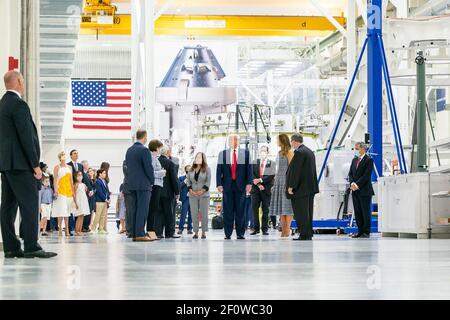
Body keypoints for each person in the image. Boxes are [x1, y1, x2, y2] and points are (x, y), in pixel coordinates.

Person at [0, 70, 56, 258]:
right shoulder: (18, 105)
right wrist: (35, 165)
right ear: (18, 82)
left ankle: (11, 247)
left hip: (7, 165)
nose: (23, 84)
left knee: (7, 206)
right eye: (22, 81)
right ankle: (31, 245)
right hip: (21, 165)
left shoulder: (2, 105)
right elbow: (26, 137)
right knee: (30, 203)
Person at [216, 134, 252, 240]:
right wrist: (219, 184)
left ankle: (240, 233)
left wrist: (249, 183)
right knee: (227, 211)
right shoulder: (223, 154)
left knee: (240, 211)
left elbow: (248, 169)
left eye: (235, 139)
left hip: (240, 186)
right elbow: (219, 170)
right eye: (231, 139)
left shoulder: (245, 153)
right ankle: (228, 233)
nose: (232, 141)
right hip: (227, 186)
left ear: (238, 141)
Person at [286, 134, 319, 241]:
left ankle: (304, 234)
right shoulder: (309, 152)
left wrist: (291, 186)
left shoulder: (299, 152)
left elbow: (296, 171)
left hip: (301, 189)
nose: (291, 144)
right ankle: (308, 233)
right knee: (308, 212)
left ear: (294, 141)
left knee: (301, 212)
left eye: (291, 142)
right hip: (310, 188)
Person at [125, 130, 155, 241]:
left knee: (134, 209)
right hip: (143, 184)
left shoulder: (129, 150)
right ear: (144, 137)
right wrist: (152, 180)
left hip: (131, 184)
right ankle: (140, 234)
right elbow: (148, 167)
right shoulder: (144, 150)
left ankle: (134, 233)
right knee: (143, 209)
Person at [269, 134, 295, 238]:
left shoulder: (290, 152)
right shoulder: (279, 153)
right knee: (281, 208)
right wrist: (274, 184)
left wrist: (290, 184)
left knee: (287, 207)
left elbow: (292, 169)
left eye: (277, 140)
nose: (276, 142)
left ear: (282, 141)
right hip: (278, 181)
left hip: (286, 180)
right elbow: (277, 169)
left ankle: (287, 230)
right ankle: (283, 230)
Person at [348, 142, 375, 238]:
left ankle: (366, 232)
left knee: (365, 211)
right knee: (358, 212)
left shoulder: (369, 160)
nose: (356, 150)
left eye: (357, 148)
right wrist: (352, 183)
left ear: (363, 149)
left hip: (364, 190)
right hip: (355, 190)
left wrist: (357, 184)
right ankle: (360, 231)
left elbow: (366, 175)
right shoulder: (354, 160)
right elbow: (350, 173)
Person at [156, 145, 180, 239]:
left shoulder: (156, 162)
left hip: (157, 192)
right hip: (168, 193)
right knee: (169, 213)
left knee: (158, 213)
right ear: (167, 152)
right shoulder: (170, 163)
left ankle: (158, 232)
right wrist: (177, 192)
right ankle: (169, 233)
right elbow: (174, 179)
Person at [250, 146, 275, 236]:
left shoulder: (272, 163)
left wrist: (260, 181)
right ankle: (255, 228)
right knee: (254, 209)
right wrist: (258, 184)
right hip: (255, 190)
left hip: (266, 189)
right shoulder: (254, 163)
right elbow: (251, 175)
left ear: (268, 152)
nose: (262, 152)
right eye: (261, 151)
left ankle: (264, 229)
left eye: (264, 151)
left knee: (265, 210)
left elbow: (271, 176)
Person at [186, 153, 211, 239]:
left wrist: (202, 191)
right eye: (197, 157)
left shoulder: (207, 169)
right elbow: (188, 181)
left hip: (204, 195)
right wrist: (190, 190)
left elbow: (208, 181)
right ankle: (195, 232)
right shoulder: (191, 169)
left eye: (200, 157)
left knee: (204, 214)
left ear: (203, 159)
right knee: (194, 214)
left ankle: (203, 232)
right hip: (192, 194)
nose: (198, 158)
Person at [147, 139, 166, 240]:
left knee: (154, 208)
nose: (160, 150)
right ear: (156, 147)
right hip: (154, 185)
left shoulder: (155, 157)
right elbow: (151, 172)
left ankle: (151, 229)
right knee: (152, 208)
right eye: (159, 147)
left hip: (157, 184)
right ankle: (150, 229)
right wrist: (162, 173)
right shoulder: (151, 157)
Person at [53, 151, 75, 237]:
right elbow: (55, 179)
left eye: (64, 155)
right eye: (62, 155)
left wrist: (73, 191)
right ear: (59, 157)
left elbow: (71, 180)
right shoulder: (56, 167)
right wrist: (55, 190)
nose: (64, 157)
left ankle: (67, 230)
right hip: (60, 191)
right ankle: (59, 230)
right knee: (61, 211)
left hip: (68, 191)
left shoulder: (69, 167)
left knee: (67, 211)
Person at [92, 169, 111, 234]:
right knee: (98, 215)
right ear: (100, 174)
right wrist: (105, 199)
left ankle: (101, 229)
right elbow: (100, 192)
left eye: (105, 173)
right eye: (104, 173)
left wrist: (108, 198)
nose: (105, 174)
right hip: (99, 201)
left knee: (103, 216)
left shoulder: (104, 181)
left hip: (105, 201)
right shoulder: (98, 181)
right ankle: (93, 229)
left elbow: (107, 191)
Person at [177, 165, 193, 235]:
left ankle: (190, 229)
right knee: (183, 213)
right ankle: (180, 228)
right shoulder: (181, 178)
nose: (189, 170)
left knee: (191, 214)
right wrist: (185, 181)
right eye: (188, 169)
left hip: (193, 197)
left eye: (190, 169)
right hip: (185, 198)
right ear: (185, 170)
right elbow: (179, 186)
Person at [73, 171, 90, 236]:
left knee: (82, 216)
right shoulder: (76, 184)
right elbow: (74, 194)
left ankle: (80, 230)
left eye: (81, 175)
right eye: (78, 175)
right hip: (79, 201)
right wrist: (75, 203)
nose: (80, 177)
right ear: (76, 177)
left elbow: (85, 193)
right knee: (79, 216)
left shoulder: (83, 184)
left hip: (83, 201)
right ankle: (77, 230)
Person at [122, 160, 136, 238]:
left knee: (134, 211)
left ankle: (134, 229)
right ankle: (130, 230)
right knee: (129, 211)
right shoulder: (126, 162)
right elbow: (128, 172)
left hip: (136, 189)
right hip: (128, 190)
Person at [81, 160, 95, 232]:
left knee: (89, 211)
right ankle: (84, 226)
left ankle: (86, 226)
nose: (87, 166)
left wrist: (92, 190)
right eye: (85, 165)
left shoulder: (87, 174)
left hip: (90, 195)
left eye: (87, 164)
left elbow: (91, 185)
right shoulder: (83, 174)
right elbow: (86, 185)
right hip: (86, 195)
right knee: (87, 212)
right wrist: (89, 191)